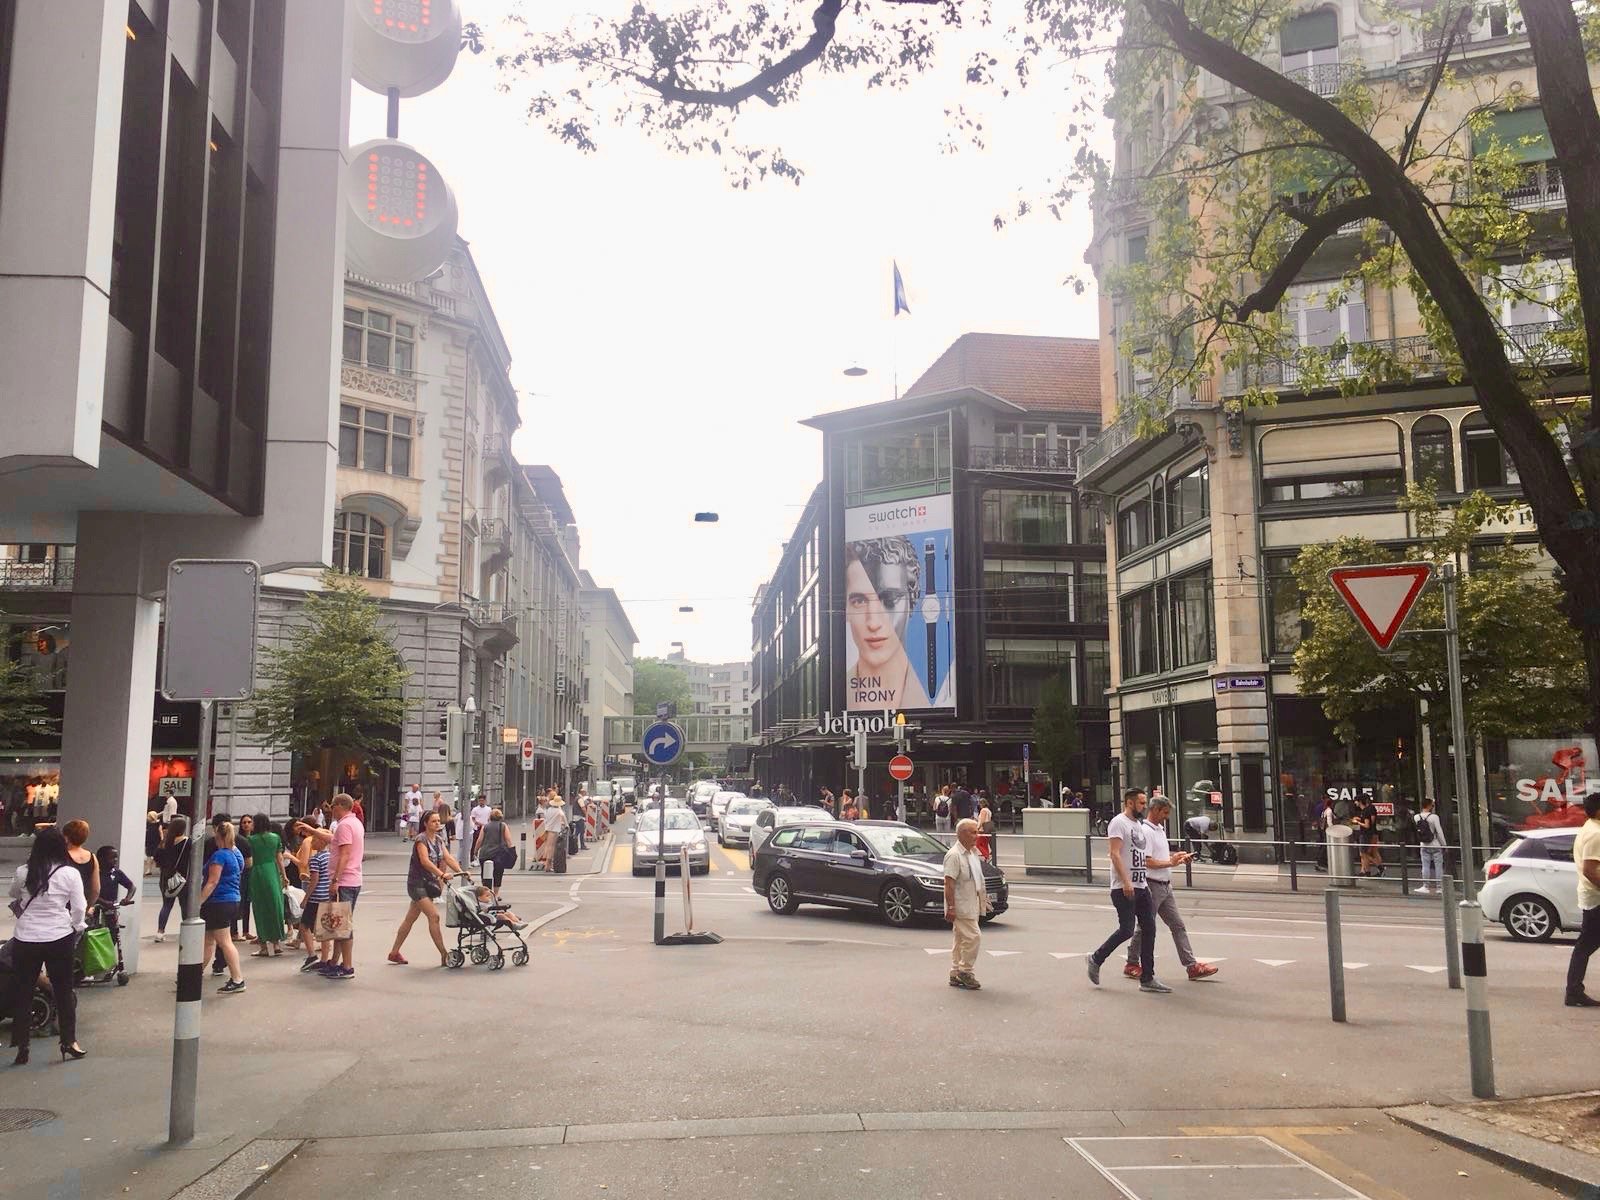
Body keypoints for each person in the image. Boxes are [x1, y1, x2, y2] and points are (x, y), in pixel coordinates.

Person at [8, 828, 88, 1064]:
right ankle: (69, 1041)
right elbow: (80, 907)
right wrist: (76, 926)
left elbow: (14, 894)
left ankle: (22, 1045)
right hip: (58, 936)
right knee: (63, 990)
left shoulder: (24, 872)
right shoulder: (69, 874)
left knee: (23, 990)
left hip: (26, 937)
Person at [1122, 796, 1217, 982]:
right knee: (1145, 926)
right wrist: (1171, 862)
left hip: (1165, 885)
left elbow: (1160, 857)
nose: (1167, 817)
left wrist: (1177, 857)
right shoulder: (1145, 831)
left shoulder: (1159, 829)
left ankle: (1191, 966)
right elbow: (1146, 861)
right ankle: (1132, 962)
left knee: (1177, 925)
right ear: (1155, 809)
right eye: (1165, 812)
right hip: (1152, 885)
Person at [1086, 789, 1169, 994]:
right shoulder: (1118, 823)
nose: (1144, 806)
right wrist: (1126, 882)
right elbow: (1114, 854)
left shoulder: (1138, 826)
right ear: (1130, 803)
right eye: (1141, 803)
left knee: (1149, 928)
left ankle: (1147, 978)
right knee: (1127, 930)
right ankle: (1096, 958)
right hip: (1124, 887)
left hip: (1141, 886)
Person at [843, 537, 933, 709]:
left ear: (912, 599)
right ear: (846, 609)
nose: (874, 623)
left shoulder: (938, 697)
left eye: (890, 599)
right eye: (859, 601)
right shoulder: (838, 698)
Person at [389, 809, 462, 966]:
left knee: (410, 918)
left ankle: (394, 952)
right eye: (433, 821)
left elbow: (448, 858)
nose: (437, 823)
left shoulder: (439, 840)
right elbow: (424, 861)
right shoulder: (421, 839)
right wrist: (441, 874)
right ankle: (444, 954)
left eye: (438, 821)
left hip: (427, 883)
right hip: (416, 884)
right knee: (434, 916)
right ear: (426, 824)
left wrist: (461, 872)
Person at [308, 793, 364, 980]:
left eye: (333, 806)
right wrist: (313, 830)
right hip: (352, 879)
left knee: (342, 926)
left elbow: (345, 853)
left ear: (340, 806)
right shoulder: (354, 823)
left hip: (345, 881)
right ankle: (334, 962)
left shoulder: (345, 825)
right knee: (339, 925)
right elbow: (334, 840)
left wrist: (335, 880)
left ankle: (347, 966)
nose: (331, 810)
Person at [942, 818, 993, 991]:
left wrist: (983, 899)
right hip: (961, 905)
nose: (976, 835)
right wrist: (950, 907)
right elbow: (948, 883)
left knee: (960, 939)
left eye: (976, 832)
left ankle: (956, 972)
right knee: (973, 937)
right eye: (972, 832)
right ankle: (965, 971)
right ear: (962, 834)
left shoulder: (972, 853)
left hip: (971, 902)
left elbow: (976, 879)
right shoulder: (954, 855)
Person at [198, 821, 247, 995]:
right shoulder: (236, 855)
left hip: (218, 901)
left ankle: (237, 979)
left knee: (224, 942)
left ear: (217, 836)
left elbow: (212, 881)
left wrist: (198, 902)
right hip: (232, 899)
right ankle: (194, 974)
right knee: (209, 941)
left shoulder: (219, 856)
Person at [1565, 792, 1600, 1007]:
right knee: (1585, 946)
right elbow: (1590, 870)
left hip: (1592, 897)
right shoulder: (1596, 833)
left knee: (1585, 946)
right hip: (1597, 898)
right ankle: (1573, 991)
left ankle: (1574, 991)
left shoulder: (1589, 827)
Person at [245, 812, 290, 957]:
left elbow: (249, 861)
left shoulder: (251, 840)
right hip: (272, 872)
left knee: (260, 908)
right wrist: (284, 875)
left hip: (257, 873)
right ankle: (276, 944)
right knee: (275, 907)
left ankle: (264, 946)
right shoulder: (275, 838)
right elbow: (280, 858)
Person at [291, 819, 333, 972]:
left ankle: (311, 955)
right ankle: (325, 958)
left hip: (316, 897)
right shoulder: (330, 857)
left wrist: (306, 898)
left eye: (315, 839)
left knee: (305, 925)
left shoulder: (315, 859)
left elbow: (314, 879)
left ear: (321, 842)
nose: (312, 842)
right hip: (327, 896)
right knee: (325, 928)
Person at [154, 817, 192, 942]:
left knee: (166, 905)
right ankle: (187, 932)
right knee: (185, 905)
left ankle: (160, 932)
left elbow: (157, 860)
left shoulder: (164, 842)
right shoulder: (187, 842)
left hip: (166, 877)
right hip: (182, 878)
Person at [474, 806, 515, 897]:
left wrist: (475, 850)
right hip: (499, 854)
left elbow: (480, 840)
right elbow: (508, 840)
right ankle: (495, 894)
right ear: (500, 817)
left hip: (485, 854)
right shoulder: (503, 826)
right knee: (498, 873)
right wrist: (512, 851)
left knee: (485, 874)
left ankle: (487, 893)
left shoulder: (485, 826)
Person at [61, 819, 100, 909]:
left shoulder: (62, 856)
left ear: (66, 837)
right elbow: (96, 890)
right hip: (81, 903)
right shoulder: (92, 857)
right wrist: (87, 908)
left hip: (64, 906)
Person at [1414, 798, 1445, 894]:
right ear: (1428, 806)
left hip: (1423, 844)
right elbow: (1439, 832)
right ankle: (1439, 887)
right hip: (1435, 844)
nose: (1433, 807)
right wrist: (1444, 845)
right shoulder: (1434, 817)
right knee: (1438, 866)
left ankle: (1425, 886)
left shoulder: (1416, 817)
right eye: (1432, 805)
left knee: (1425, 866)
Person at [541, 791, 568, 870]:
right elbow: (565, 821)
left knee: (548, 846)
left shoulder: (549, 810)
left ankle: (546, 864)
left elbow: (545, 819)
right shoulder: (559, 812)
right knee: (552, 848)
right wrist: (566, 826)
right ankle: (548, 866)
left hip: (547, 830)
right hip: (555, 831)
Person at [144, 810, 162, 876]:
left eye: (148, 816)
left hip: (156, 841)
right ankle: (148, 869)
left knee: (157, 856)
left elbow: (160, 832)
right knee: (148, 855)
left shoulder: (158, 824)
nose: (147, 817)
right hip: (149, 841)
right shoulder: (147, 824)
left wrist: (162, 840)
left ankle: (161, 868)